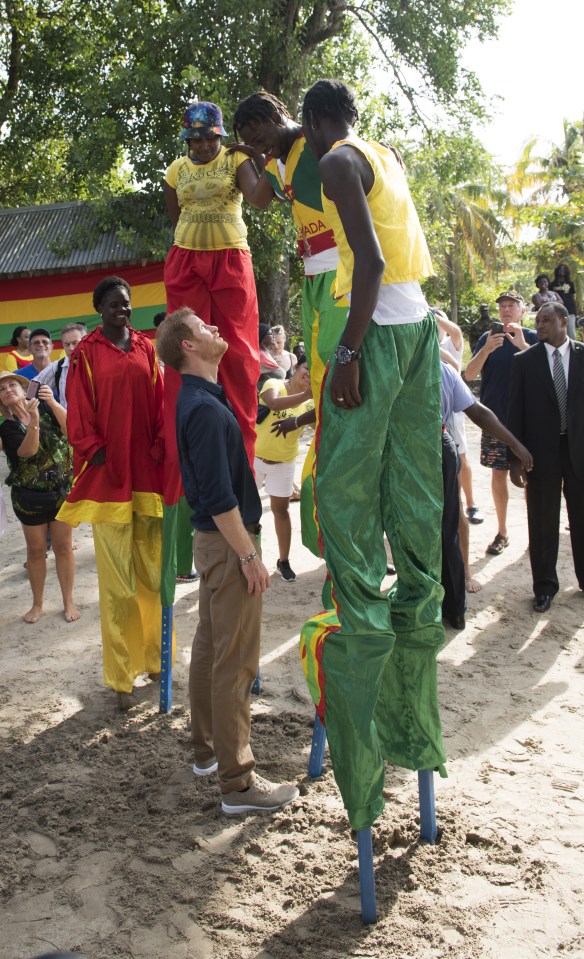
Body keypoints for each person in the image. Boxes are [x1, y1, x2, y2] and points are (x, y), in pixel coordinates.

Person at [298, 79, 446, 831]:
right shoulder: (384, 152)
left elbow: (372, 263)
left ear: (318, 121)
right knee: (415, 499)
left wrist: (348, 350)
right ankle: (413, 613)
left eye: (305, 127)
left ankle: (361, 630)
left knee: (341, 499)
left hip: (380, 334)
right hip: (420, 335)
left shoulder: (335, 162)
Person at [155, 306, 299, 814]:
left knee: (211, 648)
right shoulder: (204, 408)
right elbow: (219, 498)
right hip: (226, 541)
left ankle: (206, 753)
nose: (216, 331)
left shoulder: (199, 399)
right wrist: (250, 556)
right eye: (203, 329)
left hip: (212, 544)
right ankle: (238, 784)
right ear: (189, 347)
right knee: (234, 664)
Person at [232, 91, 351, 554]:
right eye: (249, 139)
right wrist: (246, 156)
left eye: (260, 133)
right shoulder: (277, 162)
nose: (258, 144)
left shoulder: (313, 142)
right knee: (320, 370)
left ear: (280, 117)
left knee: (340, 363)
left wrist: (283, 137)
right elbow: (257, 200)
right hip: (313, 276)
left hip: (341, 267)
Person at [57, 276, 169, 710]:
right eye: (115, 304)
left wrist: (160, 442)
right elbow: (79, 410)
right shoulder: (86, 354)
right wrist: (91, 448)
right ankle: (122, 678)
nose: (124, 309)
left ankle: (157, 661)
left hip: (146, 474)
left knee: (154, 576)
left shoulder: (146, 347)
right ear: (99, 309)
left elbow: (161, 402)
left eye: (127, 303)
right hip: (109, 478)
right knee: (118, 584)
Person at [163, 100, 263, 467]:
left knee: (237, 354)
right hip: (185, 260)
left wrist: (261, 161)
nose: (204, 145)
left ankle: (241, 458)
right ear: (188, 141)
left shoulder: (236, 160)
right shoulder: (175, 171)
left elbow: (259, 199)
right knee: (184, 348)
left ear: (220, 135)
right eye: (197, 140)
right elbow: (177, 220)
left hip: (231, 261)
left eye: (211, 138)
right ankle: (186, 460)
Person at [440, 361, 533, 629]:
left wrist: (513, 443)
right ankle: (452, 607)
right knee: (443, 528)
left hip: (433, 450)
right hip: (437, 448)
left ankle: (452, 606)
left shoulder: (436, 369)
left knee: (445, 527)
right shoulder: (437, 367)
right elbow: (477, 412)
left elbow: (478, 412)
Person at [508, 303, 584, 612]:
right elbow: (515, 412)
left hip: (579, 451)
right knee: (542, 522)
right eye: (537, 320)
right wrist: (514, 458)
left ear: (564, 322)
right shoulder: (524, 362)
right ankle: (544, 587)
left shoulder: (582, 355)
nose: (539, 325)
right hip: (539, 456)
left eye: (546, 320)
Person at [0, 371, 78, 623]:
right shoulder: (7, 429)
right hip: (30, 499)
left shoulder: (47, 408)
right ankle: (37, 604)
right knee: (35, 552)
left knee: (64, 547)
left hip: (61, 491)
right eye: (2, 389)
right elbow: (27, 452)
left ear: (25, 390)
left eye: (13, 384)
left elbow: (72, 432)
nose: (9, 389)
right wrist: (33, 420)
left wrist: (54, 403)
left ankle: (68, 601)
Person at [464, 291, 538, 556]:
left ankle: (535, 534)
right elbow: (469, 374)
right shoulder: (487, 338)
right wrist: (486, 349)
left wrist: (522, 347)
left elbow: (547, 373)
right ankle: (502, 531)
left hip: (528, 421)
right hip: (495, 421)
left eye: (511, 305)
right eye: (502, 306)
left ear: (521, 310)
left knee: (532, 477)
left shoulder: (532, 337)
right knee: (498, 475)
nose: (506, 310)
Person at [255, 356, 314, 581]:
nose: (307, 374)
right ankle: (249, 557)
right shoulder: (276, 384)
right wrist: (308, 395)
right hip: (255, 459)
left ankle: (283, 561)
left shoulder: (310, 403)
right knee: (248, 512)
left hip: (284, 463)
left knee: (281, 511)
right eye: (305, 368)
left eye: (312, 371)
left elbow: (319, 424)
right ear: (296, 367)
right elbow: (273, 403)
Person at [434, 308, 483, 527]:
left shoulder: (449, 346)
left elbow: (456, 335)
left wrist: (429, 313)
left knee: (461, 455)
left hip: (454, 411)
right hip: (434, 413)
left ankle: (471, 504)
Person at [32, 323, 87, 408]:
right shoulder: (58, 367)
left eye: (75, 343)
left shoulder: (99, 363)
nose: (71, 348)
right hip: (68, 420)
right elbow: (33, 387)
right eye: (67, 344)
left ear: (85, 341)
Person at [550, 264, 578, 339]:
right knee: (559, 334)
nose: (562, 270)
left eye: (564, 269)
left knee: (571, 334)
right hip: (557, 312)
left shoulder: (570, 283)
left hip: (570, 311)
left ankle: (572, 350)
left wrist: (575, 313)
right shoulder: (552, 284)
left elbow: (572, 298)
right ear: (557, 271)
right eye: (560, 269)